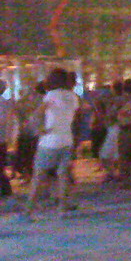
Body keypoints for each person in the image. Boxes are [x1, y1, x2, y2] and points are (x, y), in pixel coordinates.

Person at [24, 68, 80, 219]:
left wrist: (39, 129)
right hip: (67, 139)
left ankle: (28, 210)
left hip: (50, 140)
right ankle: (62, 209)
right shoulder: (73, 96)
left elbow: (38, 113)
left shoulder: (52, 95)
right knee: (63, 175)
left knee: (38, 176)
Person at [13, 84, 45, 183]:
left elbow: (18, 114)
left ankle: (27, 174)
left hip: (26, 132)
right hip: (37, 132)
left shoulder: (22, 101)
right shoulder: (43, 99)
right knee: (33, 154)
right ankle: (33, 175)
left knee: (26, 155)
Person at [0, 80, 15, 197]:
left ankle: (6, 190)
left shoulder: (3, 103)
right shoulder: (6, 103)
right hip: (2, 139)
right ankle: (5, 190)